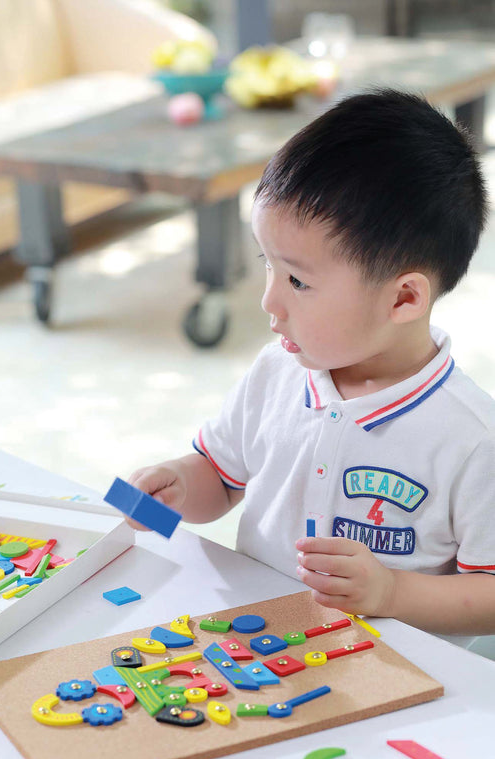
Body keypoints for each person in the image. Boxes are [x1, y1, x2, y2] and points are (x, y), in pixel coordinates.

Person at [128, 89, 495, 636]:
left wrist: (392, 592)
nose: (269, 302)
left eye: (298, 281)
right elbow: (223, 480)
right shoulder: (275, 373)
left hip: (395, 675)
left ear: (403, 299)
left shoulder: (471, 439)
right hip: (258, 647)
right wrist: (179, 487)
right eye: (267, 265)